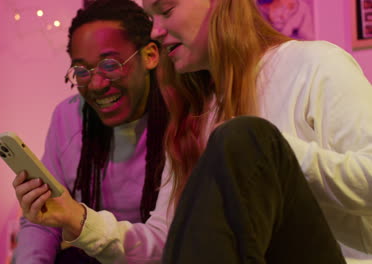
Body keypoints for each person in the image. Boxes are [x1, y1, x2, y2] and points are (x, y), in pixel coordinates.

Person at [143, 0, 372, 263]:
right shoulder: (193, 115)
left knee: (243, 136)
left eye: (166, 11)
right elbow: (166, 238)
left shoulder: (315, 63)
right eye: (151, 19)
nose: (155, 32)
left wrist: (274, 155)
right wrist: (87, 226)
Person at [12, 0, 172, 263]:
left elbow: (171, 239)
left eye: (110, 65)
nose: (96, 84)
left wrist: (78, 219)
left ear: (150, 55)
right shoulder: (68, 118)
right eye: (82, 71)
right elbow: (43, 222)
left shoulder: (181, 116)